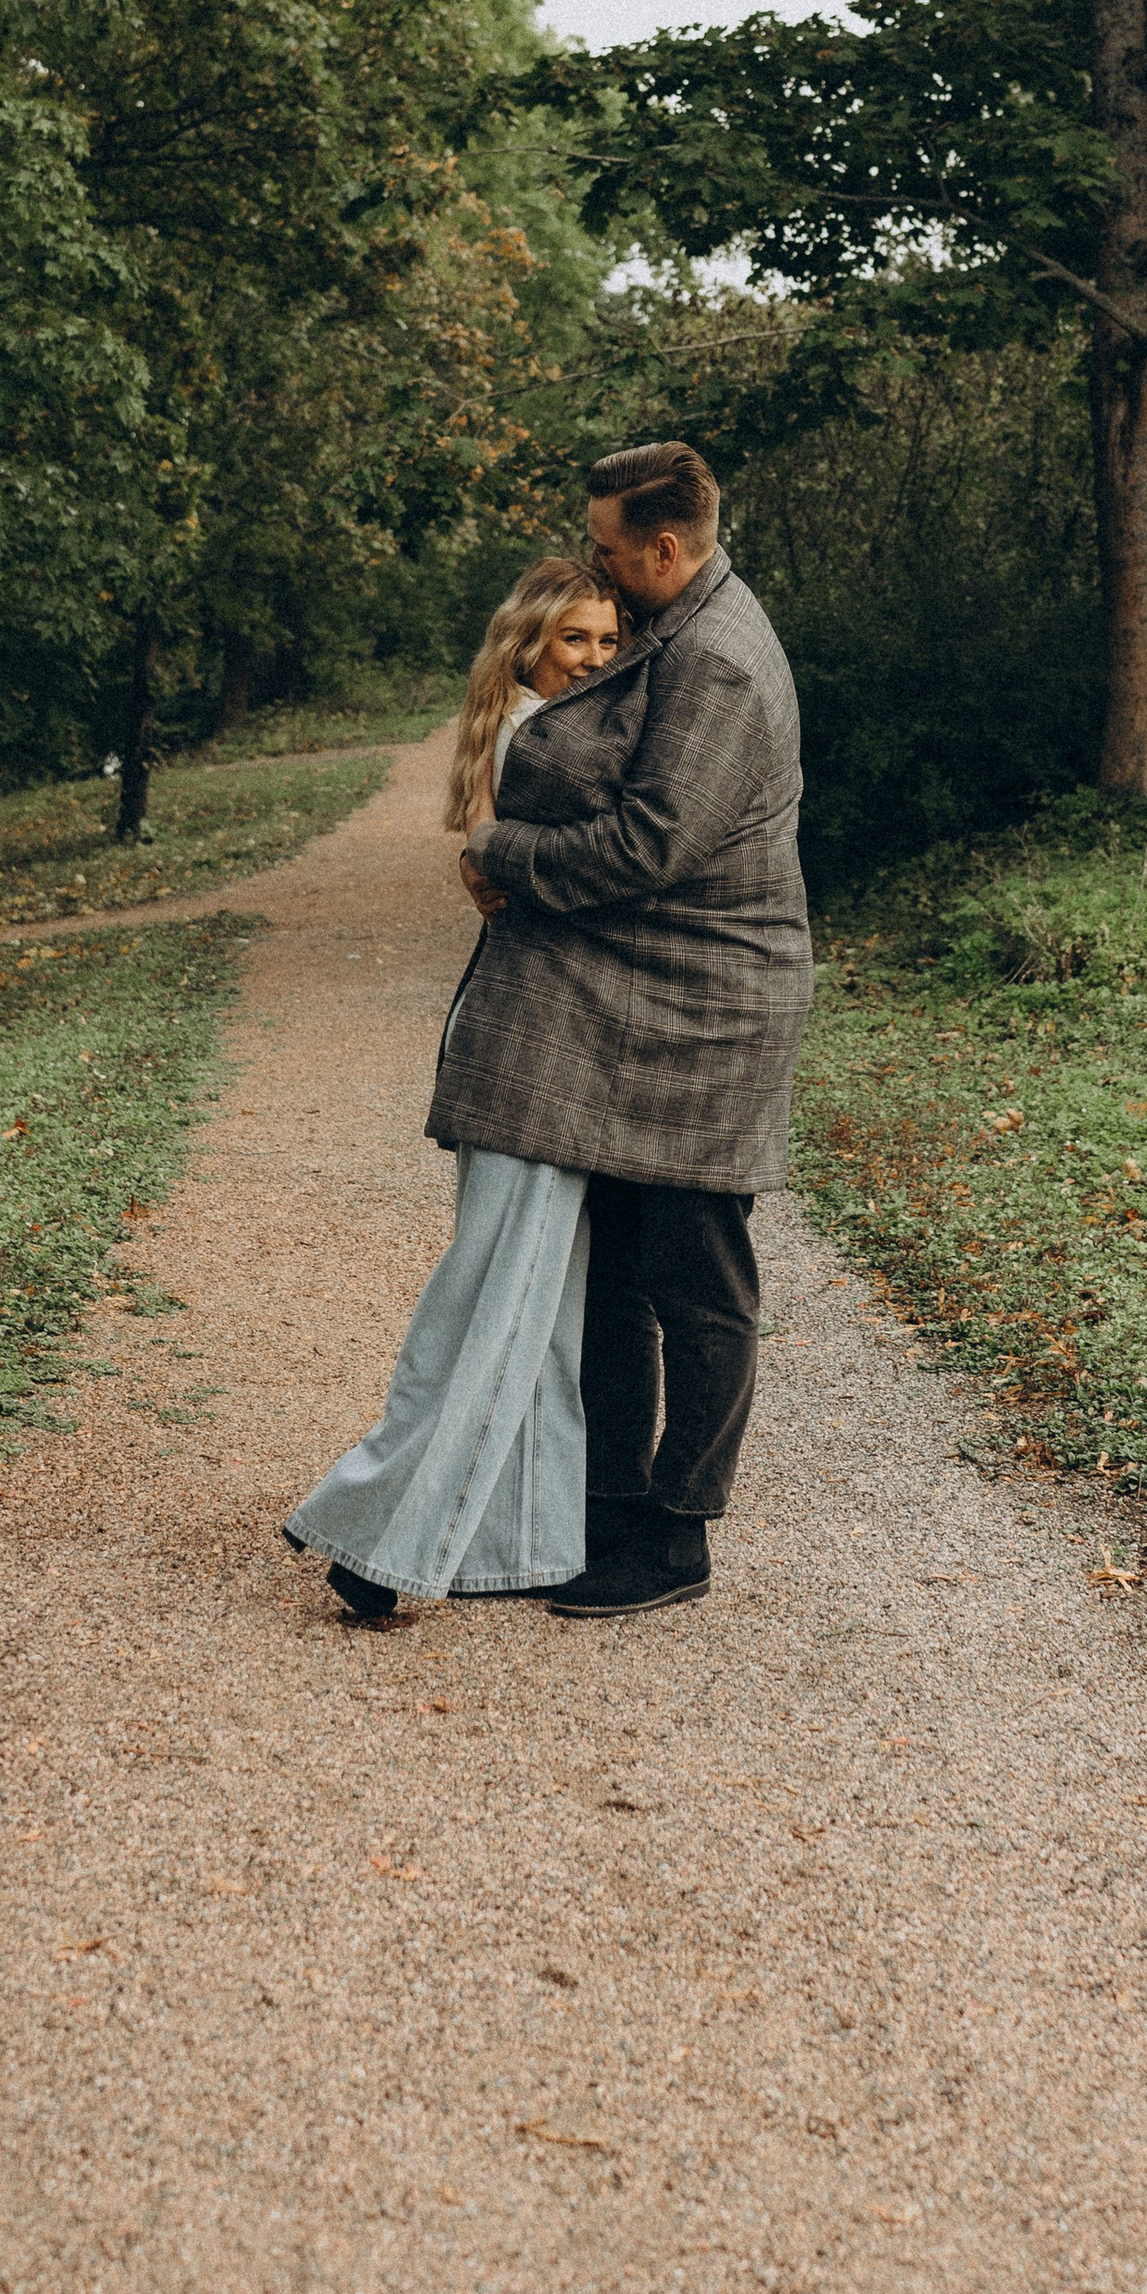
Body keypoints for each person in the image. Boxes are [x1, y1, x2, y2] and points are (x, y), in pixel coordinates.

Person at [439, 437, 811, 1621]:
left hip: (710, 1007)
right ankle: (593, 1511)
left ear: (663, 547)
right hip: (630, 992)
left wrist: (503, 852)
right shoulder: (667, 625)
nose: (592, 564)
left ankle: (679, 1533)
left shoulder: (720, 663)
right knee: (609, 1279)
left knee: (697, 1277)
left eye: (606, 548)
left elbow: (651, 843)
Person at [282, 558, 622, 1625]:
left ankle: (517, 1542)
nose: (598, 660)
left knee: (536, 1303)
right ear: (528, 644)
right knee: (505, 1298)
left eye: (611, 642)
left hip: (525, 1039)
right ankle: (371, 1537)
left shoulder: (517, 728)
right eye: (577, 640)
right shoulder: (544, 740)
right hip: (534, 1052)